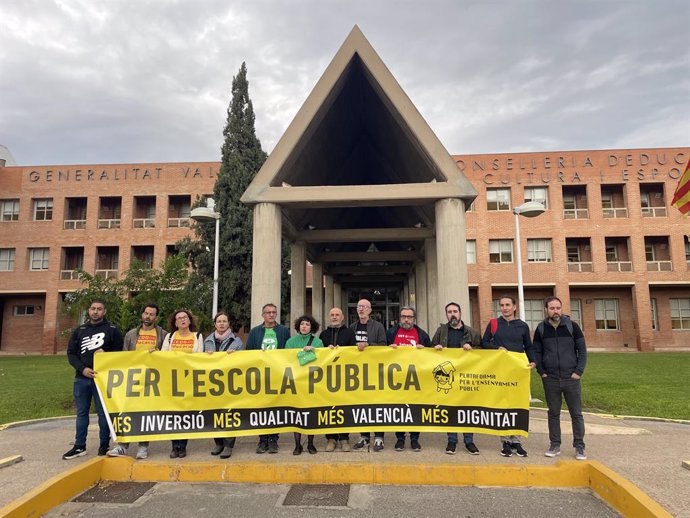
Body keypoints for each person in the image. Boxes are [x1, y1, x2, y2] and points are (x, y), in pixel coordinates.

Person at [63, 298, 124, 460]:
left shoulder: (112, 330)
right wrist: (82, 369)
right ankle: (79, 446)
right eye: (93, 308)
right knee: (82, 412)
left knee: (103, 413)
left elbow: (120, 353)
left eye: (99, 309)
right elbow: (71, 353)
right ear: (89, 311)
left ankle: (104, 444)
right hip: (81, 378)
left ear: (104, 312)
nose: (95, 311)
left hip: (103, 379)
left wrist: (107, 355)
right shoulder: (80, 330)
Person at [107, 303, 167, 459]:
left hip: (152, 380)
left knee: (147, 413)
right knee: (127, 411)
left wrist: (159, 353)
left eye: (151, 314)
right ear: (142, 314)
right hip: (132, 379)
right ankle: (122, 446)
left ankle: (143, 446)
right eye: (146, 313)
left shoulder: (163, 335)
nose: (148, 316)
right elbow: (124, 356)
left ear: (156, 317)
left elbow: (168, 357)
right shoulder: (131, 334)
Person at [533, 296, 588, 460]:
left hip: (571, 377)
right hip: (550, 378)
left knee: (576, 414)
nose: (555, 311)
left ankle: (579, 447)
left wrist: (578, 372)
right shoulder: (541, 328)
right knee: (553, 413)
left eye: (558, 308)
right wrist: (542, 372)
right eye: (552, 308)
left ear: (561, 309)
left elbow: (582, 351)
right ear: (546, 310)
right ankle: (555, 444)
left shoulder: (573, 326)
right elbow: (537, 352)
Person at [481, 294, 536, 458]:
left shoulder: (522, 326)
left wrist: (533, 361)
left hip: (518, 371)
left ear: (514, 307)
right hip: (501, 370)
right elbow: (484, 343)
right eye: (501, 305)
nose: (504, 308)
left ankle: (516, 440)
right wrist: (496, 348)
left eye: (507, 305)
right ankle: (505, 440)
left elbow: (529, 346)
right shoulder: (493, 324)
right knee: (503, 404)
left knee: (518, 403)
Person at [431, 302, 482, 455]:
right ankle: (451, 440)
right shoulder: (441, 331)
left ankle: (469, 441)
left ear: (460, 313)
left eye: (455, 311)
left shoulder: (472, 332)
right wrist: (436, 348)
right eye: (449, 312)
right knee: (450, 409)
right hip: (448, 378)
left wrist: (472, 349)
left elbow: (483, 352)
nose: (452, 314)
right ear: (446, 314)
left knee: (467, 409)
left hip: (466, 377)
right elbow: (430, 348)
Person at [245, 303, 290, 454]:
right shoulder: (255, 332)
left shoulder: (283, 331)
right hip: (260, 375)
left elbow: (287, 351)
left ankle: (273, 439)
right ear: (263, 315)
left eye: (273, 312)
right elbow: (249, 352)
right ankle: (262, 439)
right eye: (268, 312)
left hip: (277, 374)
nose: (271, 315)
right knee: (261, 407)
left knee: (275, 406)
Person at [161, 308, 204, 458]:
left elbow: (199, 357)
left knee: (185, 413)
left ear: (190, 320)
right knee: (173, 414)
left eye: (185, 317)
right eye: (179, 318)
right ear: (175, 322)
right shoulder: (170, 337)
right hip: (172, 380)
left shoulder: (197, 336)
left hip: (189, 380)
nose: (182, 320)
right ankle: (174, 446)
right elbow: (163, 356)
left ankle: (183, 446)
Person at [386, 306, 430, 452]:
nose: (406, 319)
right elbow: (380, 352)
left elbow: (431, 358)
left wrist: (424, 350)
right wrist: (387, 349)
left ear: (414, 319)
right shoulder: (391, 333)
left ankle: (414, 439)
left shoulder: (422, 334)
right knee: (398, 409)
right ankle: (400, 438)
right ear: (399, 318)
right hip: (396, 380)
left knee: (415, 409)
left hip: (415, 379)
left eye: (409, 317)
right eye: (403, 316)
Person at [203, 311, 244, 459]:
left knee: (229, 414)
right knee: (213, 414)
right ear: (215, 324)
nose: (221, 324)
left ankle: (228, 445)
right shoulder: (207, 341)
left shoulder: (237, 341)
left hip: (229, 384)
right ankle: (218, 442)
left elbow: (242, 362)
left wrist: (235, 356)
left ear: (228, 324)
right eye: (219, 321)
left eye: (224, 321)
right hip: (212, 384)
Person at [349, 299, 387, 452]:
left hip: (374, 371)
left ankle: (379, 437)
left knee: (377, 403)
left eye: (364, 307)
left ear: (370, 310)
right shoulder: (352, 327)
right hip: (358, 373)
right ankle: (364, 436)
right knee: (361, 404)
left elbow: (384, 345)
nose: (361, 309)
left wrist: (369, 345)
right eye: (359, 306)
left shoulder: (378, 327)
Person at [286, 315, 324, 455]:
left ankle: (310, 443)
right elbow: (286, 359)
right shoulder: (290, 342)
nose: (304, 326)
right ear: (298, 326)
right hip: (296, 382)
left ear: (311, 327)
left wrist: (314, 350)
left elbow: (322, 360)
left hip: (311, 382)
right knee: (296, 413)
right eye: (302, 324)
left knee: (311, 413)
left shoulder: (318, 342)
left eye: (307, 324)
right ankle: (297, 445)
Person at [320, 307, 356, 452]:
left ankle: (344, 438)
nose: (334, 317)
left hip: (344, 376)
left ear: (342, 318)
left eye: (337, 315)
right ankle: (331, 438)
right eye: (332, 315)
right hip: (327, 378)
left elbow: (355, 353)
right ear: (329, 317)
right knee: (328, 408)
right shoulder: (323, 335)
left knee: (344, 408)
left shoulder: (349, 333)